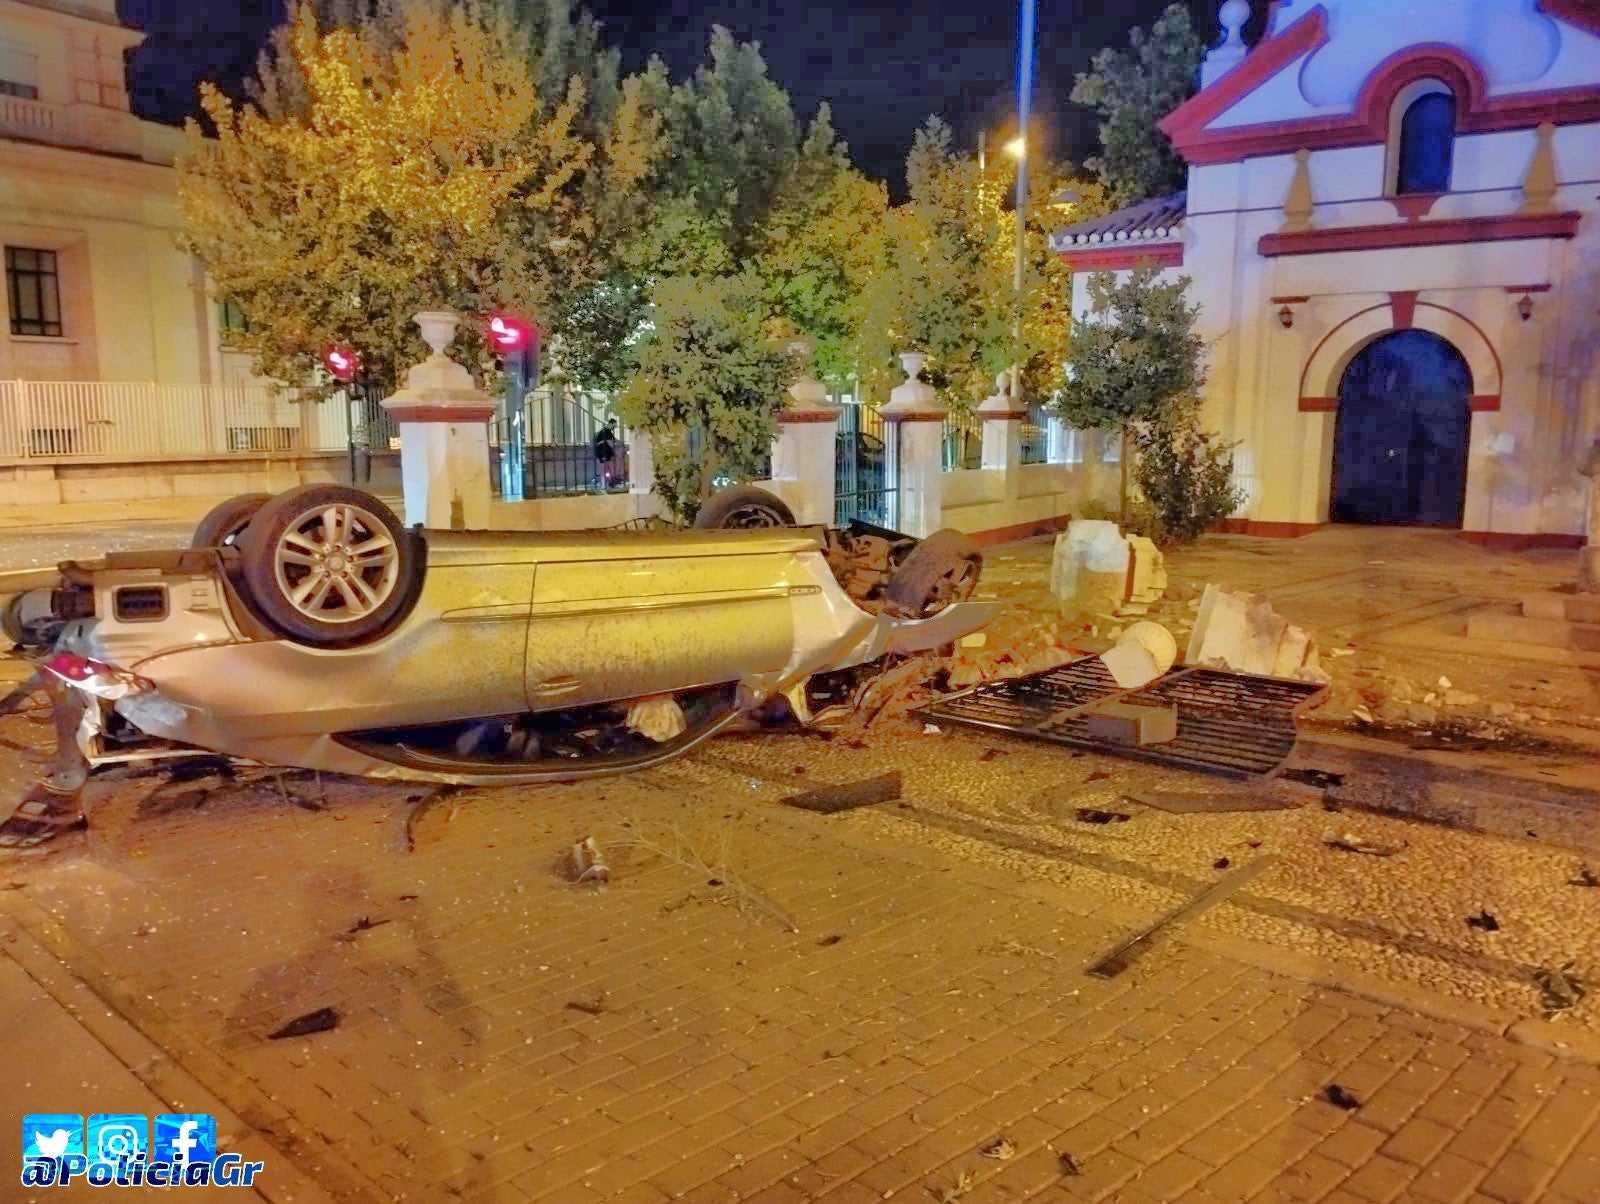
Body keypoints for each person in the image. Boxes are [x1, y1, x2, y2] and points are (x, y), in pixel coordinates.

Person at [593, 419, 619, 486]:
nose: (615, 427)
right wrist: (615, 451)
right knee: (606, 467)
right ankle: (606, 483)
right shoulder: (606, 431)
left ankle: (605, 483)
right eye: (614, 425)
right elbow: (610, 443)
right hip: (604, 450)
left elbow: (614, 439)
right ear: (611, 424)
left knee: (605, 467)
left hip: (602, 450)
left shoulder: (605, 430)